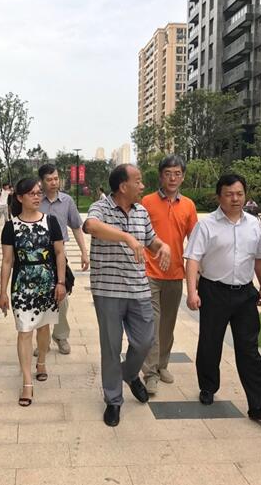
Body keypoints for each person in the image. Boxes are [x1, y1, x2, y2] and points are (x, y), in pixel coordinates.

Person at [184, 174, 261, 422]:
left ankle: (259, 404)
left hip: (245, 294)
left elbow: (259, 258)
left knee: (249, 348)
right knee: (210, 343)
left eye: (239, 194)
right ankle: (208, 387)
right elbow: (193, 259)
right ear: (219, 197)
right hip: (214, 291)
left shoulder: (253, 224)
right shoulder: (206, 225)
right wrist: (192, 292)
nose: (235, 199)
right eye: (229, 194)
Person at [83, 164, 171, 427]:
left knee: (145, 341)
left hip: (138, 288)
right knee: (111, 347)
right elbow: (90, 226)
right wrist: (126, 238)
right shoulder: (101, 207)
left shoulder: (141, 212)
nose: (142, 186)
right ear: (123, 186)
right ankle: (113, 400)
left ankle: (130, 374)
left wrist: (162, 246)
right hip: (108, 290)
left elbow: (150, 240)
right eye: (138, 181)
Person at [0, 178, 67, 406]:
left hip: (47, 284)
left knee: (44, 327)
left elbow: (59, 253)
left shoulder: (51, 221)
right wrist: (2, 292)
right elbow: (7, 261)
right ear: (20, 198)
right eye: (32, 193)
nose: (37, 197)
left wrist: (61, 282)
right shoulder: (11, 226)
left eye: (39, 193)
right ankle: (27, 382)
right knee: (24, 330)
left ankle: (42, 361)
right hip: (22, 286)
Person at [141, 155, 197, 394]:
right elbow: (139, 233)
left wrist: (196, 273)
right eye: (168, 173)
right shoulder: (147, 202)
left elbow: (195, 241)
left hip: (175, 274)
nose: (173, 178)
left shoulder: (189, 205)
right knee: (152, 324)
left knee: (167, 325)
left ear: (183, 177)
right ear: (160, 176)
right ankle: (150, 373)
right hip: (149, 272)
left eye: (177, 174)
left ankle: (162, 364)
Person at [36, 163, 89, 355]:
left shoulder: (67, 201)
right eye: (49, 179)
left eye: (56, 178)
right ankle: (42, 341)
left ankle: (60, 335)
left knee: (62, 297)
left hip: (59, 255)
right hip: (37, 256)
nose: (53, 182)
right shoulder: (35, 200)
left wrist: (84, 252)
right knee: (40, 298)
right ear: (41, 182)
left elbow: (76, 226)